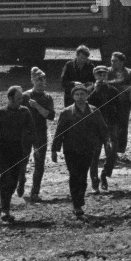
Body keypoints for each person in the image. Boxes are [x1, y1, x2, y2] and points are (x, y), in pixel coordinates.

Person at [52, 83, 113, 218]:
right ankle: (77, 205)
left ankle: (79, 201)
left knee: (83, 176)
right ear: (73, 96)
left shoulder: (94, 111)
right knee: (74, 176)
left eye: (82, 94)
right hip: (71, 150)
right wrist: (54, 150)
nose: (80, 97)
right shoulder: (66, 112)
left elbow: (102, 129)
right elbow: (59, 132)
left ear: (87, 96)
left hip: (88, 148)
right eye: (77, 94)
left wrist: (107, 142)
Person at [0, 86, 35, 223]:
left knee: (13, 180)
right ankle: (4, 209)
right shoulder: (0, 113)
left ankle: (7, 202)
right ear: (10, 98)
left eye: (22, 98)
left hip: (18, 150)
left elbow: (31, 131)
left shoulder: (25, 112)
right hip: (2, 150)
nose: (21, 101)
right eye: (18, 98)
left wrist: (31, 148)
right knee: (5, 178)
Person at [24, 67, 56, 202]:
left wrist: (37, 106)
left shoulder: (47, 97)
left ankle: (35, 191)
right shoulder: (25, 96)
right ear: (32, 80)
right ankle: (21, 182)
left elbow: (50, 116)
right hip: (25, 133)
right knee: (22, 161)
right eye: (38, 80)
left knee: (39, 163)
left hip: (40, 133)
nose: (40, 83)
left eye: (43, 80)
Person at [108, 51, 131, 162]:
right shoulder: (107, 72)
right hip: (109, 104)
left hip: (124, 104)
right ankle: (110, 152)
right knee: (110, 128)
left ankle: (120, 152)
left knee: (122, 128)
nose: (112, 63)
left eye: (115, 61)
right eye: (112, 61)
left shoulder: (129, 73)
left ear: (122, 62)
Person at [88, 65, 118, 192]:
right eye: (99, 74)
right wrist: (95, 90)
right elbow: (86, 105)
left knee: (112, 152)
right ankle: (94, 180)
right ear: (95, 76)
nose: (102, 76)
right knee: (94, 155)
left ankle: (105, 174)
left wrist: (118, 126)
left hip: (110, 125)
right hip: (94, 127)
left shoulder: (113, 90)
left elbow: (119, 110)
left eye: (104, 74)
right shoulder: (88, 90)